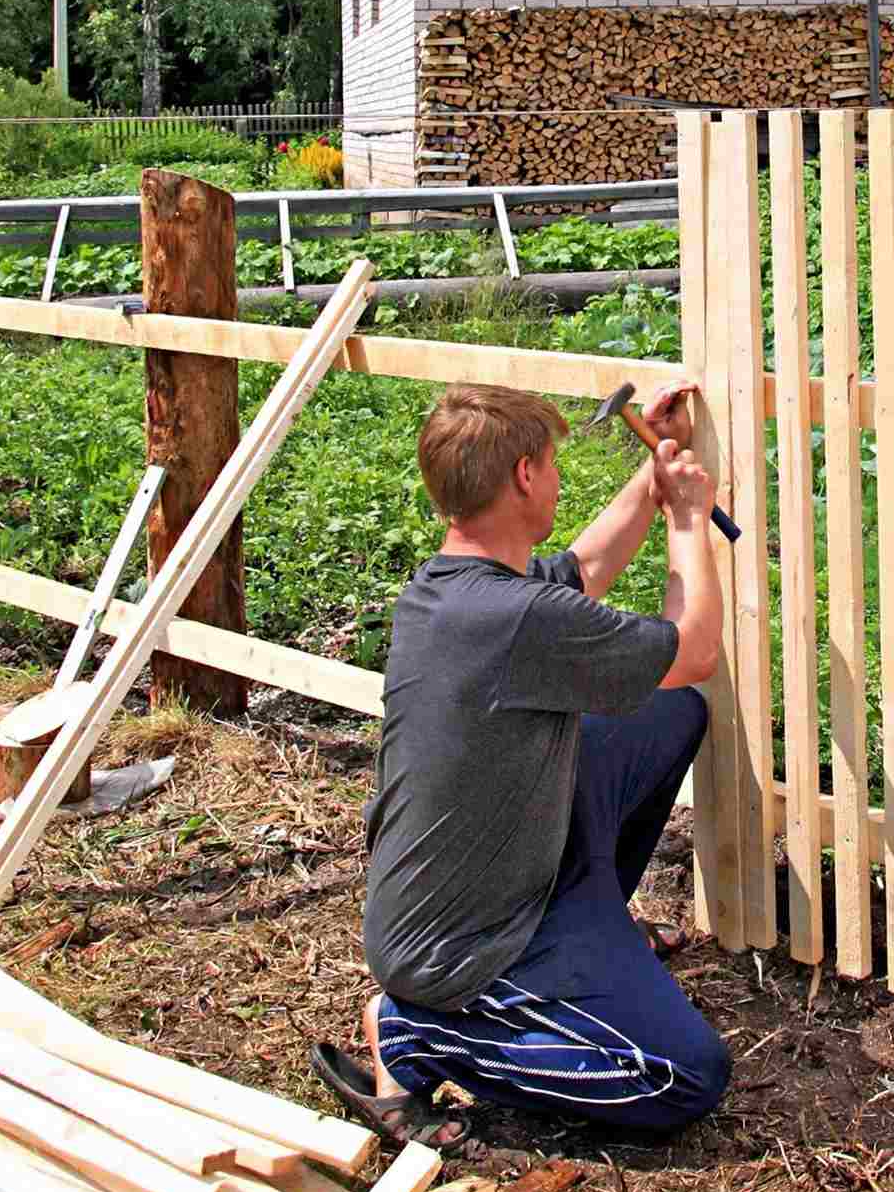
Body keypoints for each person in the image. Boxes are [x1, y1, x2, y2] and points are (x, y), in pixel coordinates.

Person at [311, 380, 730, 1149]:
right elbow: (694, 645)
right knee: (684, 1076)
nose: (559, 477)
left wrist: (650, 479)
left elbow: (585, 569)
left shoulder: (455, 591)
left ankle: (596, 919)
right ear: (525, 478)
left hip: (510, 876)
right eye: (552, 463)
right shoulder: (516, 620)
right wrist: (688, 519)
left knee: (667, 711)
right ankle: (414, 1034)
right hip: (464, 944)